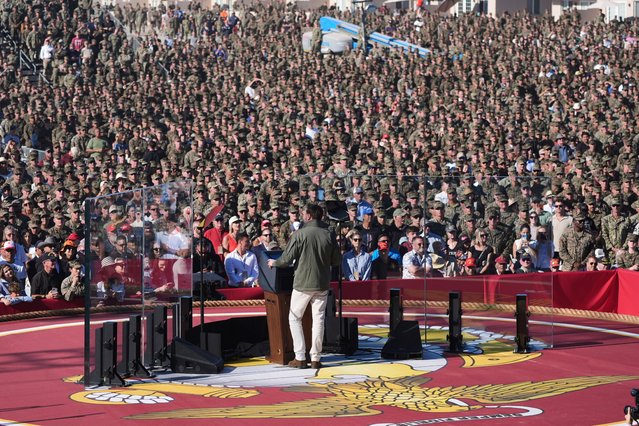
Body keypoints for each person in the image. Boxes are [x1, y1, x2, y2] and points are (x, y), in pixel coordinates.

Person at [268, 204, 340, 369]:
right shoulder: (329, 234)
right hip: (322, 283)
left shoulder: (299, 234)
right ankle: (315, 358)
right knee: (318, 320)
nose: (301, 215)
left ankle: (300, 356)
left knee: (294, 318)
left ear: (308, 216)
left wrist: (274, 262)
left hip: (302, 284)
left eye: (303, 213)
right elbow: (336, 261)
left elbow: (286, 259)